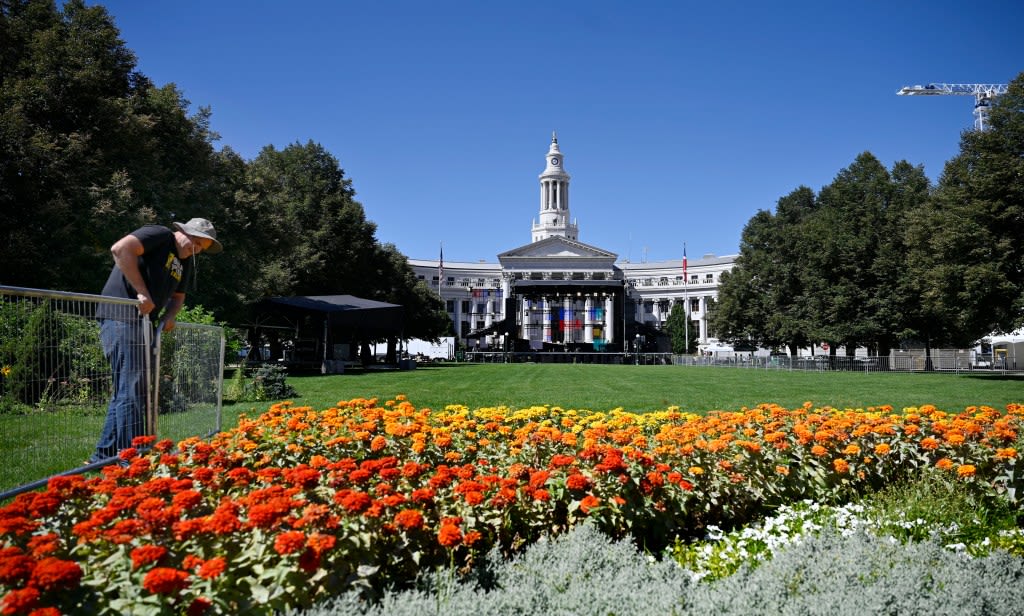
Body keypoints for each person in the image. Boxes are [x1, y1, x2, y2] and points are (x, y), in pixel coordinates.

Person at [88, 218, 223, 464]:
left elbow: (178, 296)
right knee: (133, 389)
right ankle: (132, 459)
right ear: (183, 232)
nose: (197, 250)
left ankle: (103, 456)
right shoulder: (160, 235)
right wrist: (141, 292)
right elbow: (121, 249)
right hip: (122, 316)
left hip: (143, 323)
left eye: (201, 248)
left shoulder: (183, 262)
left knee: (127, 388)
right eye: (196, 243)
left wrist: (169, 316)